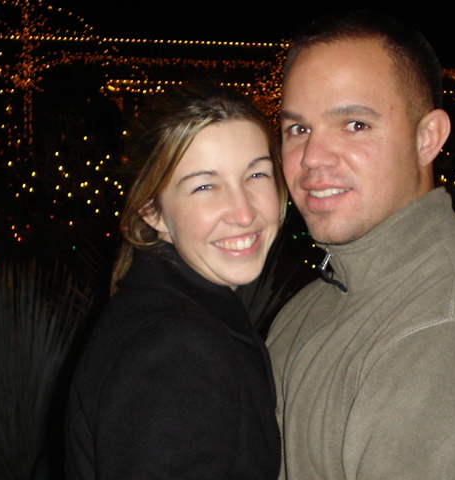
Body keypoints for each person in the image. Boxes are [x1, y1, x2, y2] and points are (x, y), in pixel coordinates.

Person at [266, 11, 455, 479]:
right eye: (298, 129)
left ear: (427, 138)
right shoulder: (318, 301)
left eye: (355, 124)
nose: (312, 158)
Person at [65, 83, 285, 479]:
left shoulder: (166, 311)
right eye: (205, 186)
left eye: (256, 174)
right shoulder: (178, 349)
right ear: (152, 211)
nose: (243, 212)